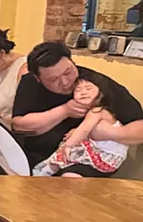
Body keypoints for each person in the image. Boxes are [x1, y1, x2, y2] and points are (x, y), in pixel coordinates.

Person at [11, 41, 143, 173]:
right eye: (53, 79)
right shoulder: (30, 83)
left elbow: (139, 126)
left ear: (72, 62)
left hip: (88, 159)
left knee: (69, 180)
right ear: (38, 78)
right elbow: (19, 125)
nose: (65, 82)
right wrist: (65, 110)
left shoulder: (96, 83)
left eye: (68, 72)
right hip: (36, 157)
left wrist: (111, 133)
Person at [33, 78, 130, 177]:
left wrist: (68, 145)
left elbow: (84, 130)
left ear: (101, 94)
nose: (83, 92)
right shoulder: (101, 112)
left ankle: (45, 172)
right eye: (78, 90)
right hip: (111, 159)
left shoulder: (97, 111)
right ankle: (47, 169)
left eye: (88, 88)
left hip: (105, 156)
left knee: (65, 148)